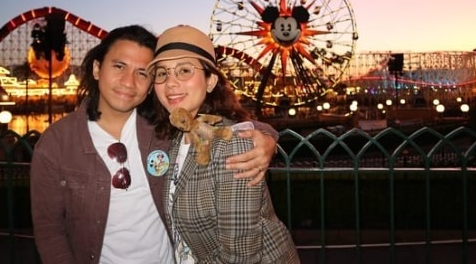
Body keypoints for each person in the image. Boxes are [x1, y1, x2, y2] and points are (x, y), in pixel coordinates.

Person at [30, 25, 278, 264]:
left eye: (142, 73)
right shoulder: (56, 144)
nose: (129, 82)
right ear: (97, 69)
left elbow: (218, 129)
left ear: (150, 86)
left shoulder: (162, 128)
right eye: (119, 66)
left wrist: (265, 138)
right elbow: (49, 230)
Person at [147, 25, 299, 263]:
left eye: (184, 70)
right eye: (162, 73)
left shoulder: (233, 145)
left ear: (210, 81)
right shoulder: (175, 138)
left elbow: (240, 257)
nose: (170, 83)